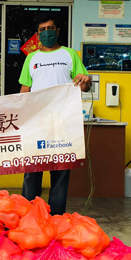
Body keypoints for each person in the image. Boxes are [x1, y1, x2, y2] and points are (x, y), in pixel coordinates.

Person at [18, 12, 91, 215]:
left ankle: (56, 217)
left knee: (60, 171)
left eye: (50, 29)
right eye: (42, 30)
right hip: (37, 123)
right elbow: (25, 91)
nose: (47, 33)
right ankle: (29, 216)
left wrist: (86, 81)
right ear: (37, 34)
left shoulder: (70, 55)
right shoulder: (32, 58)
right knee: (32, 170)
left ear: (57, 31)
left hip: (63, 122)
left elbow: (83, 87)